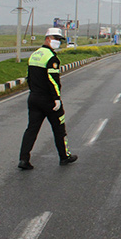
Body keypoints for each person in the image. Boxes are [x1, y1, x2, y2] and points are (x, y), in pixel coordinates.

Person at [18, 28, 78, 169]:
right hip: (49, 101)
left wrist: (33, 91)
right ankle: (64, 157)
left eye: (59, 40)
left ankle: (23, 159)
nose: (57, 42)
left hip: (33, 98)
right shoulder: (52, 58)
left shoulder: (34, 55)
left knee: (31, 130)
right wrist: (56, 98)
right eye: (55, 39)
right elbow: (53, 80)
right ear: (48, 38)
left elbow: (30, 77)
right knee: (59, 129)